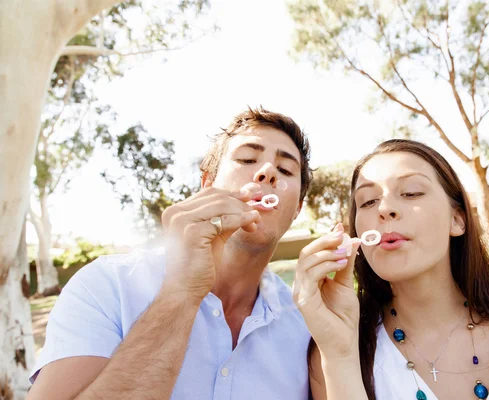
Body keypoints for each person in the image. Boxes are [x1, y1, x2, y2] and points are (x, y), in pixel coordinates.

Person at [28, 107, 314, 400]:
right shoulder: (106, 285)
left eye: (285, 170)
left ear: (298, 209)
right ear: (207, 184)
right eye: (247, 159)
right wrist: (181, 293)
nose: (267, 172)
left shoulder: (308, 327)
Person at [293, 139, 489, 400]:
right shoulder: (337, 355)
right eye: (368, 201)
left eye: (411, 192)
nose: (384, 209)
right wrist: (340, 356)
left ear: (458, 220)